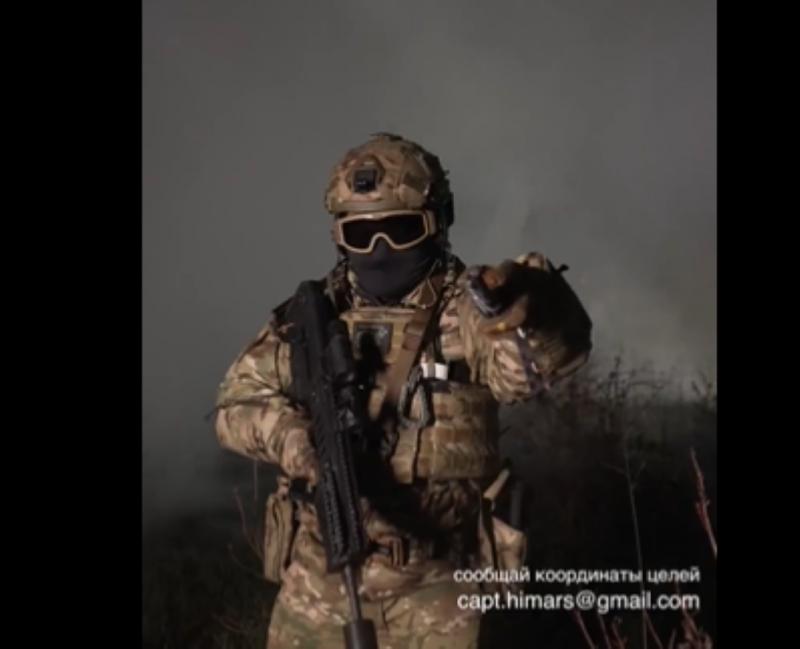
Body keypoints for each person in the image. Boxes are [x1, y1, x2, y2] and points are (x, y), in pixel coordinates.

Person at [214, 133, 592, 649]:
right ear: (338, 236)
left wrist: (536, 306)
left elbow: (535, 367)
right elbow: (235, 404)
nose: (380, 250)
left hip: (439, 586)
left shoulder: (468, 311)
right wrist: (294, 440)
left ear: (438, 222)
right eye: (361, 233)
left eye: (399, 230)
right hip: (318, 582)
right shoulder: (309, 321)